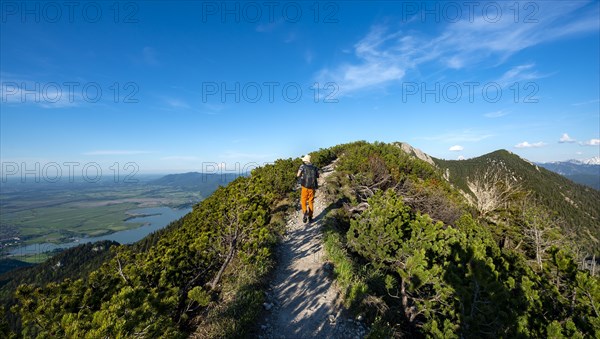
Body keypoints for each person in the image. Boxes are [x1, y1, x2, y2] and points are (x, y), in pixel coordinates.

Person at [297, 154, 319, 223]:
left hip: (304, 186)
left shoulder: (302, 166)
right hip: (312, 187)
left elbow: (298, 175)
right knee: (311, 201)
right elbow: (317, 176)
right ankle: (310, 217)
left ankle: (304, 211)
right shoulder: (315, 167)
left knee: (303, 200)